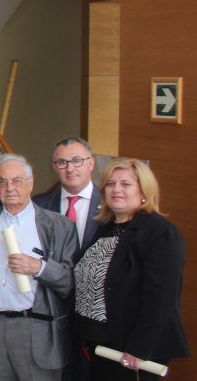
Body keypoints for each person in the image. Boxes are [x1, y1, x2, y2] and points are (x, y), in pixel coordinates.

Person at [0, 155, 78, 381]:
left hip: (34, 328)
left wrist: (39, 267)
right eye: (3, 182)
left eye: (17, 181)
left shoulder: (58, 225)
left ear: (31, 183)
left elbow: (69, 283)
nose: (10, 188)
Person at [73, 158, 188, 380]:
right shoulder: (106, 229)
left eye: (126, 184)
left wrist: (139, 348)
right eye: (110, 184)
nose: (116, 189)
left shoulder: (160, 232)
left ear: (143, 191)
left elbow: (160, 298)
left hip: (135, 351)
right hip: (101, 345)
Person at [33, 137, 101, 251]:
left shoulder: (109, 203)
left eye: (77, 161)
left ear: (91, 163)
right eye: (62, 162)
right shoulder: (38, 205)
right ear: (55, 167)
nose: (70, 169)